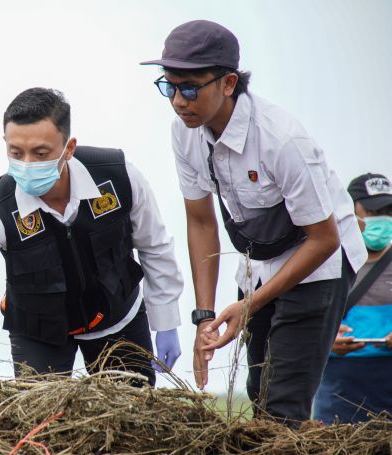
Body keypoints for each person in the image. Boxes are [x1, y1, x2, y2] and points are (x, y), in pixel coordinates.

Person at [141, 20, 366, 425]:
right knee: (258, 389)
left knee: (283, 403)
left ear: (228, 83)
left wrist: (249, 305)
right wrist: (204, 316)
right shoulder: (185, 131)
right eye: (168, 86)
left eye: (189, 88)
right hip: (261, 261)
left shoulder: (281, 140)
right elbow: (201, 222)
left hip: (319, 262)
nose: (177, 101)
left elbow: (324, 239)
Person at [0, 88, 183, 383]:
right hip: (38, 330)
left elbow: (155, 246)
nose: (27, 164)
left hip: (118, 317)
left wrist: (166, 320)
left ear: (69, 147)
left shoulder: (118, 176)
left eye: (40, 153)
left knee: (132, 416)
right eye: (16, 153)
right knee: (39, 420)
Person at [313, 173, 392, 423]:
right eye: (372, 210)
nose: (383, 218)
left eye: (389, 210)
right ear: (350, 211)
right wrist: (325, 341)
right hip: (338, 395)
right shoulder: (322, 262)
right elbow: (299, 326)